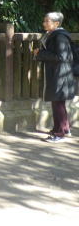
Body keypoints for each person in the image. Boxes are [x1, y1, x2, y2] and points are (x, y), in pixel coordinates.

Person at [33, 12, 76, 142]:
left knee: (58, 103)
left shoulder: (60, 37)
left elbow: (62, 57)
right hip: (58, 73)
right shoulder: (54, 34)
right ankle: (64, 129)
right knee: (58, 102)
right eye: (44, 21)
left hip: (61, 74)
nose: (44, 23)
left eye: (47, 21)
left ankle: (59, 133)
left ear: (56, 23)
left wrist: (41, 53)